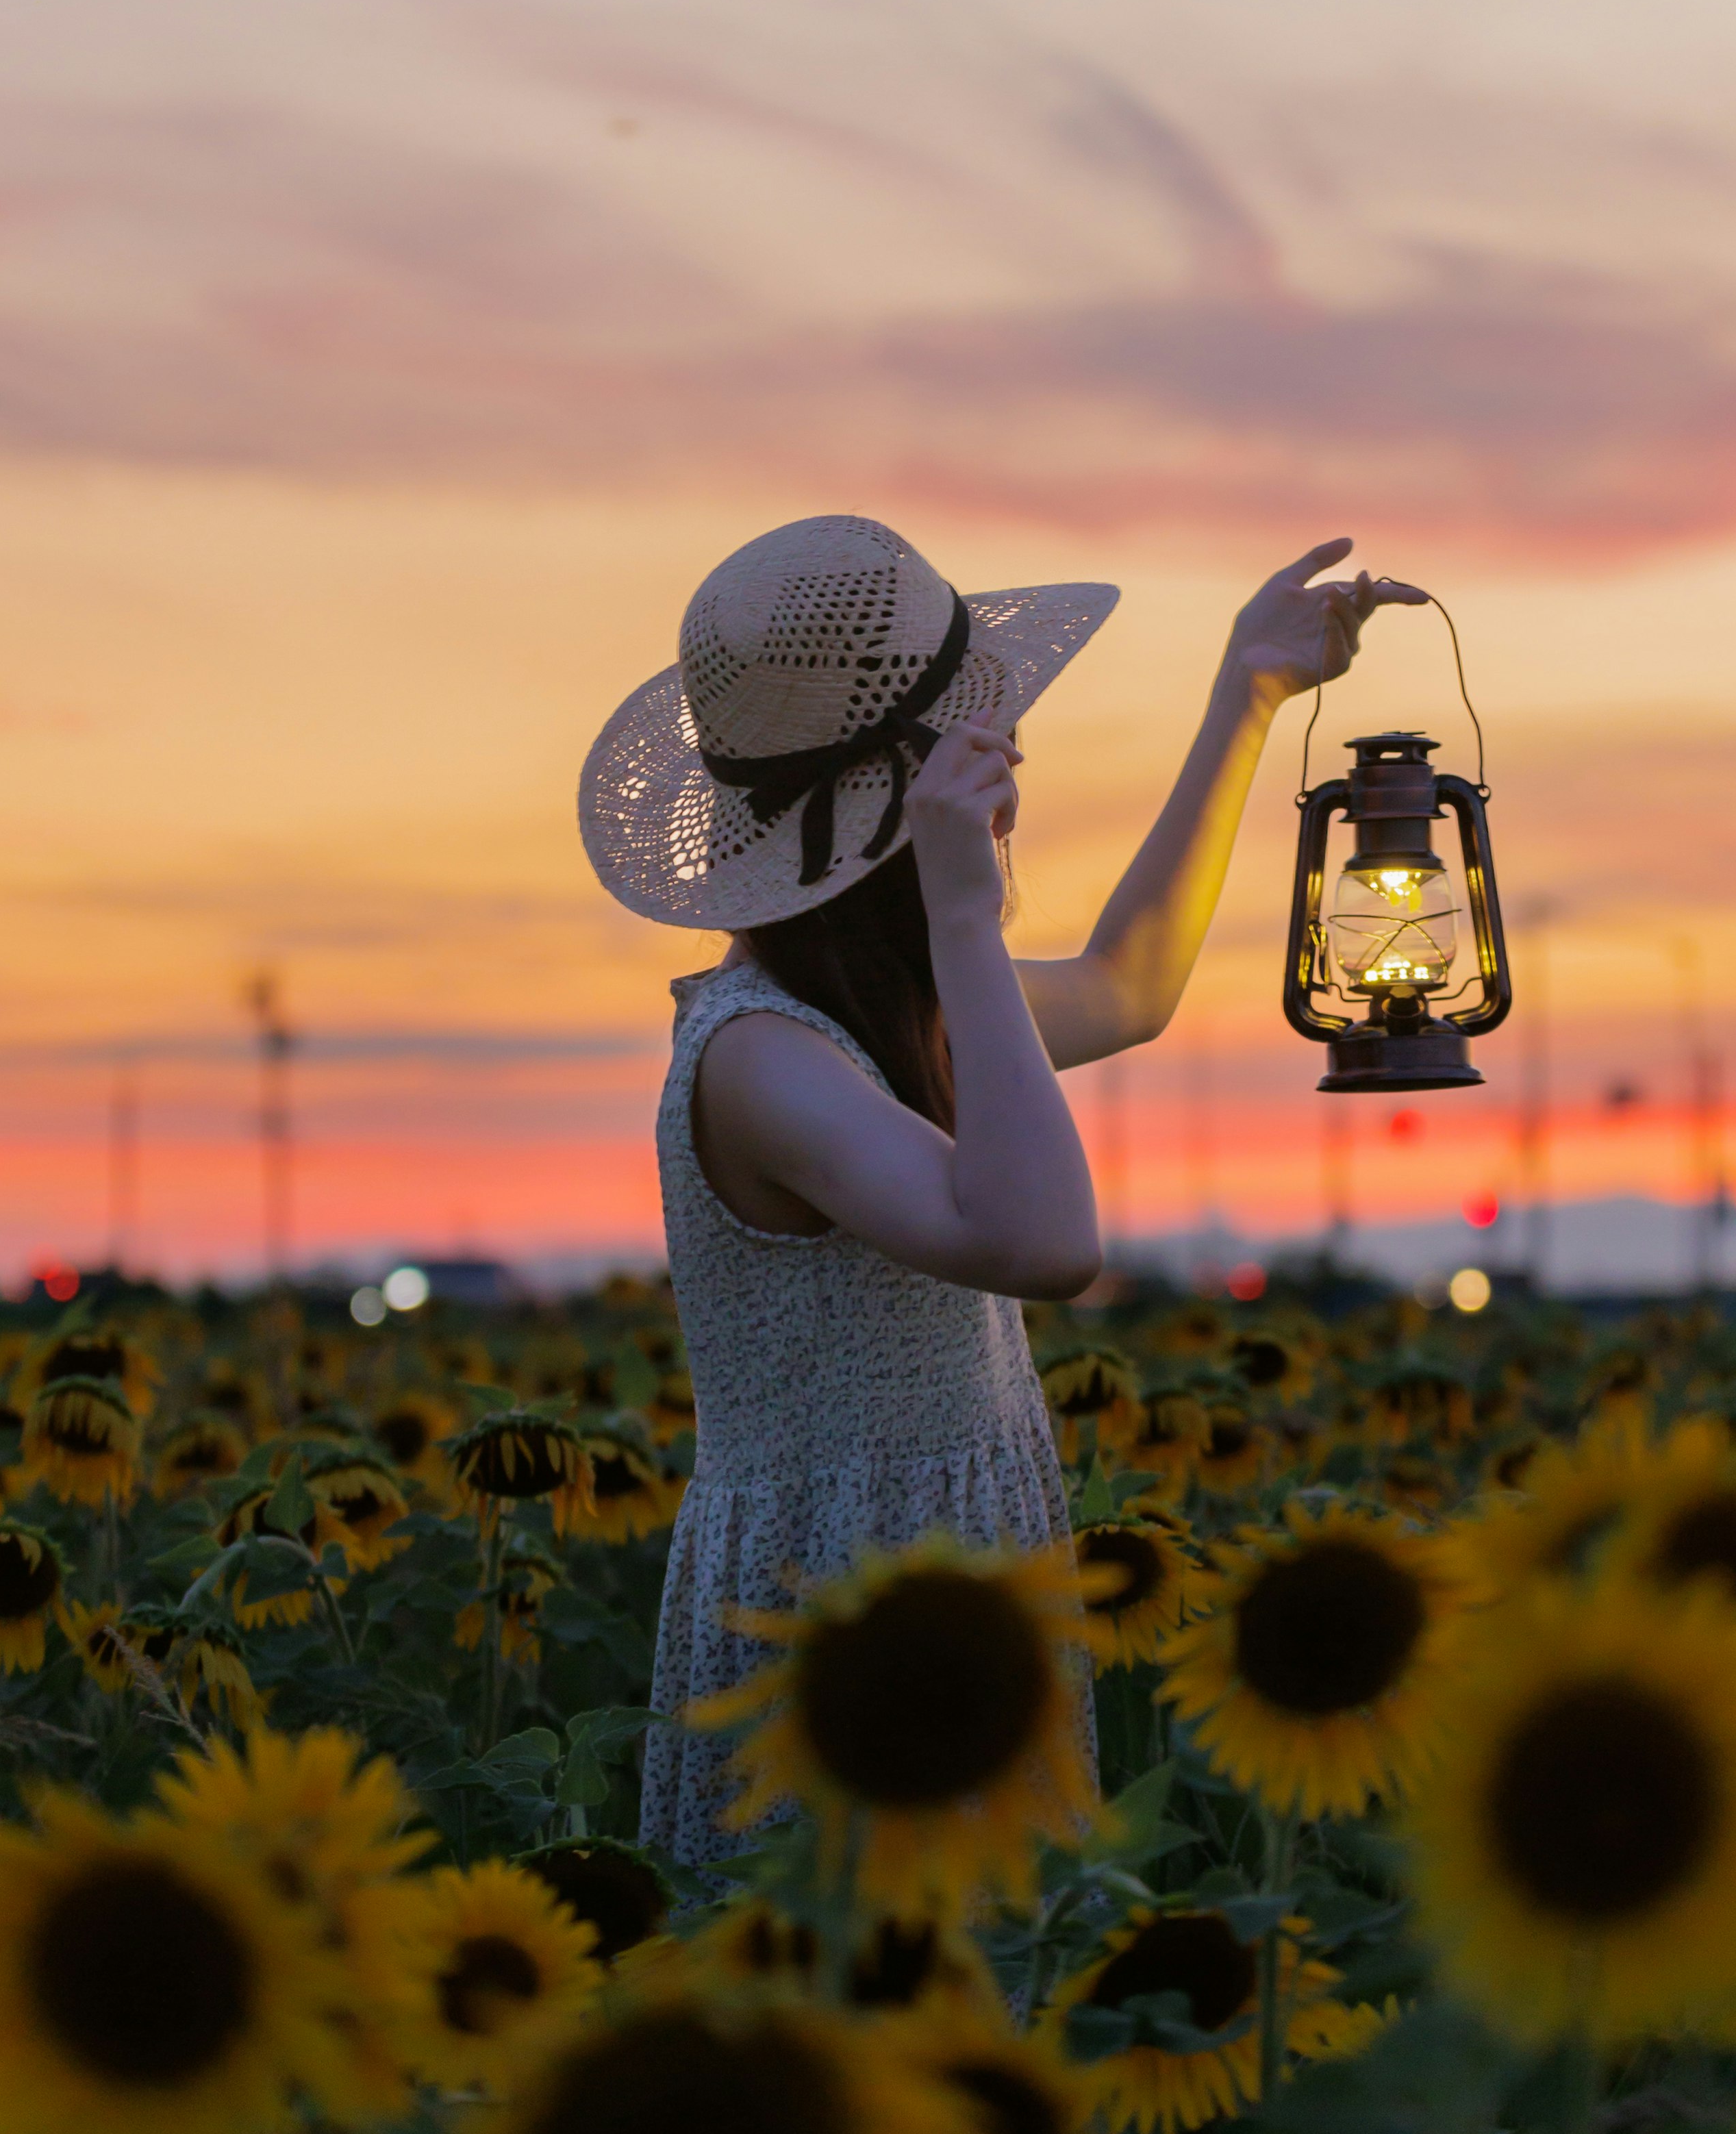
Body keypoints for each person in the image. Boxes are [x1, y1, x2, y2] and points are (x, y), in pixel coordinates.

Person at [578, 510, 1424, 1861]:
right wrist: (966, 917)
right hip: (838, 1616)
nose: (1012, 766)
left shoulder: (873, 1011)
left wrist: (1248, 700)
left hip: (963, 1570)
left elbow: (1127, 989)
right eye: (978, 746)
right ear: (912, 800)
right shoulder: (759, 1058)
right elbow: (1038, 1237)